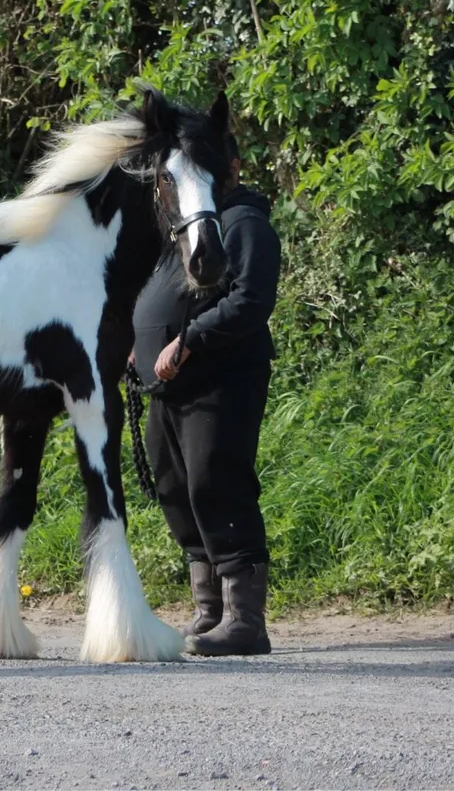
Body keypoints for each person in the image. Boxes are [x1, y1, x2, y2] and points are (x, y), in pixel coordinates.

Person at [131, 133, 281, 656]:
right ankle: (209, 610)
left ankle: (245, 621)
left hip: (223, 379)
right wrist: (140, 345)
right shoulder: (192, 227)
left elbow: (251, 300)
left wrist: (187, 341)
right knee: (175, 488)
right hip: (169, 387)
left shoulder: (244, 223)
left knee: (217, 482)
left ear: (232, 168)